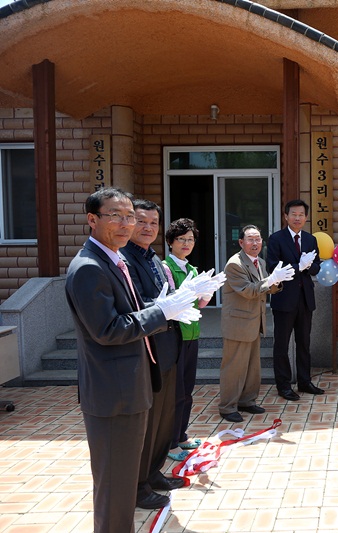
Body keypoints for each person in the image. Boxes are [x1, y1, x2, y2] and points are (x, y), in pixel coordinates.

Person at [65, 188, 198, 533]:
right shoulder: (89, 268)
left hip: (131, 385)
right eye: (116, 216)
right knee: (114, 487)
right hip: (113, 393)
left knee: (122, 484)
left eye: (130, 217)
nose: (126, 224)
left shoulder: (115, 259)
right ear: (92, 220)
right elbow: (108, 329)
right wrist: (162, 311)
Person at [122, 199, 189, 509]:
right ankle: (137, 485)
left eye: (153, 223)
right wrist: (169, 305)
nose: (148, 227)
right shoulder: (125, 260)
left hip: (169, 347)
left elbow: (164, 296)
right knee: (146, 424)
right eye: (141, 221)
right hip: (147, 350)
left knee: (164, 417)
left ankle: (154, 472)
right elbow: (139, 304)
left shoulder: (154, 259)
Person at [219, 225, 293, 421]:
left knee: (252, 367)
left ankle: (247, 401)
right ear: (241, 242)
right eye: (250, 239)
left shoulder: (259, 261)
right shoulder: (235, 264)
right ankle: (227, 407)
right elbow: (248, 290)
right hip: (238, 324)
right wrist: (270, 281)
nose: (255, 243)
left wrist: (276, 283)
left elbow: (264, 289)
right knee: (234, 367)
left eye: (258, 239)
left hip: (253, 321)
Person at [163, 218, 210, 461]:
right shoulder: (166, 268)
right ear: (170, 241)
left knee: (188, 389)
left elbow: (200, 305)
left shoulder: (191, 269)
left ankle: (181, 435)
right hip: (175, 336)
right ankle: (170, 443)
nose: (186, 243)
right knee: (176, 392)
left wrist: (206, 293)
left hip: (192, 333)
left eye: (190, 239)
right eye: (181, 239)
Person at [266, 199, 323, 401]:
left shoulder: (310, 239)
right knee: (281, 344)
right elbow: (272, 267)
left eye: (301, 215)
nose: (297, 218)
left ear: (306, 218)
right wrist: (298, 266)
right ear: (286, 216)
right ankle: (283, 385)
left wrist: (309, 266)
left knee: (304, 343)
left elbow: (317, 267)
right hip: (284, 299)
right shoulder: (276, 239)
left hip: (305, 299)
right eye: (293, 214)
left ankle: (305, 381)